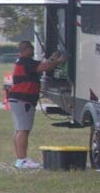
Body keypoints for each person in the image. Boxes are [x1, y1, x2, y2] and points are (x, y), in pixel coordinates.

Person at [9, 41, 66, 169]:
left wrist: (52, 58)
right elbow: (44, 67)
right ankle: (22, 160)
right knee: (23, 130)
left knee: (19, 130)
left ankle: (20, 159)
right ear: (25, 49)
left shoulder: (23, 62)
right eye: (31, 48)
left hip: (17, 99)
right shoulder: (26, 61)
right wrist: (60, 61)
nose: (33, 50)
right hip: (23, 100)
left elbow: (41, 66)